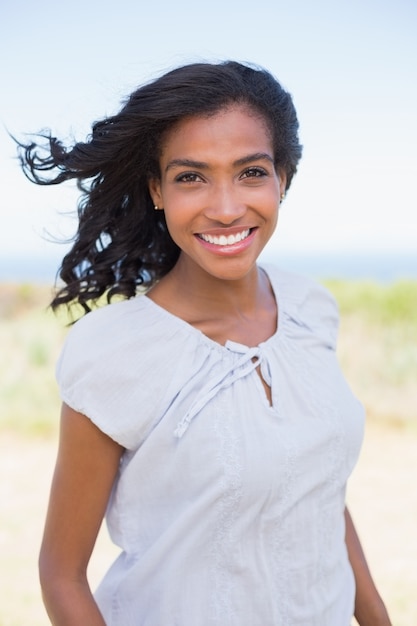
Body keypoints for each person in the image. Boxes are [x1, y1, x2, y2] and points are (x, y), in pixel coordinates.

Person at [17, 60, 392, 625]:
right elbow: (61, 573)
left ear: (282, 179)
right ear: (157, 190)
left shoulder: (312, 310)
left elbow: (319, 498)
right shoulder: (115, 353)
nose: (224, 207)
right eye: (192, 176)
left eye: (251, 173)